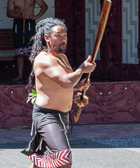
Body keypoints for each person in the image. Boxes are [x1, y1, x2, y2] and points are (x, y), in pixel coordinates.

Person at [22, 18, 96, 168]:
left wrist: (78, 87)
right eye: (58, 35)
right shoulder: (44, 60)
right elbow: (66, 81)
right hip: (46, 116)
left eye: (65, 35)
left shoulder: (62, 57)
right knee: (63, 158)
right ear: (47, 38)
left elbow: (63, 84)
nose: (64, 39)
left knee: (47, 159)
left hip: (62, 116)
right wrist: (82, 68)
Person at [7, 0, 48, 81]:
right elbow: (9, 13)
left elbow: (44, 6)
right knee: (19, 50)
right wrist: (19, 15)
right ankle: (20, 75)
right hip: (18, 24)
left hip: (30, 23)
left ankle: (33, 75)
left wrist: (36, 16)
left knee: (32, 50)